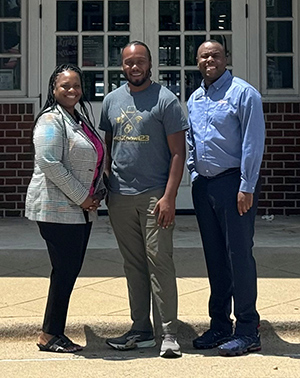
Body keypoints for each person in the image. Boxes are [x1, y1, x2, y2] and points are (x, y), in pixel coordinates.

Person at [99, 41, 188, 358]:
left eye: (140, 61)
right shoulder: (111, 100)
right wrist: (107, 180)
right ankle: (141, 330)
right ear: (121, 65)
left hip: (155, 198)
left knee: (160, 264)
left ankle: (169, 334)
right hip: (120, 198)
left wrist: (169, 197)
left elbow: (179, 153)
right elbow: (108, 146)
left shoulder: (166, 100)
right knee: (133, 266)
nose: (134, 67)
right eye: (128, 62)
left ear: (150, 64)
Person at [186, 40, 265, 356]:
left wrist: (246, 185)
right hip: (204, 187)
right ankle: (220, 324)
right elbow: (192, 140)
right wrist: (194, 174)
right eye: (204, 56)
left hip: (235, 185)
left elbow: (252, 142)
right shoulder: (194, 99)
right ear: (197, 61)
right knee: (215, 257)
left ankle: (248, 328)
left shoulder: (244, 94)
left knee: (238, 256)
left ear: (226, 58)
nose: (210, 60)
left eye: (216, 55)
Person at [25, 64, 106, 353]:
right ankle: (50, 335)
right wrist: (83, 197)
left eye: (76, 85)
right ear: (53, 89)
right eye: (65, 86)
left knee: (67, 271)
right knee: (65, 270)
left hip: (79, 210)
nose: (72, 90)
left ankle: (53, 331)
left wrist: (99, 185)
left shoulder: (78, 117)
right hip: (57, 209)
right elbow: (50, 164)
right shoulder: (50, 119)